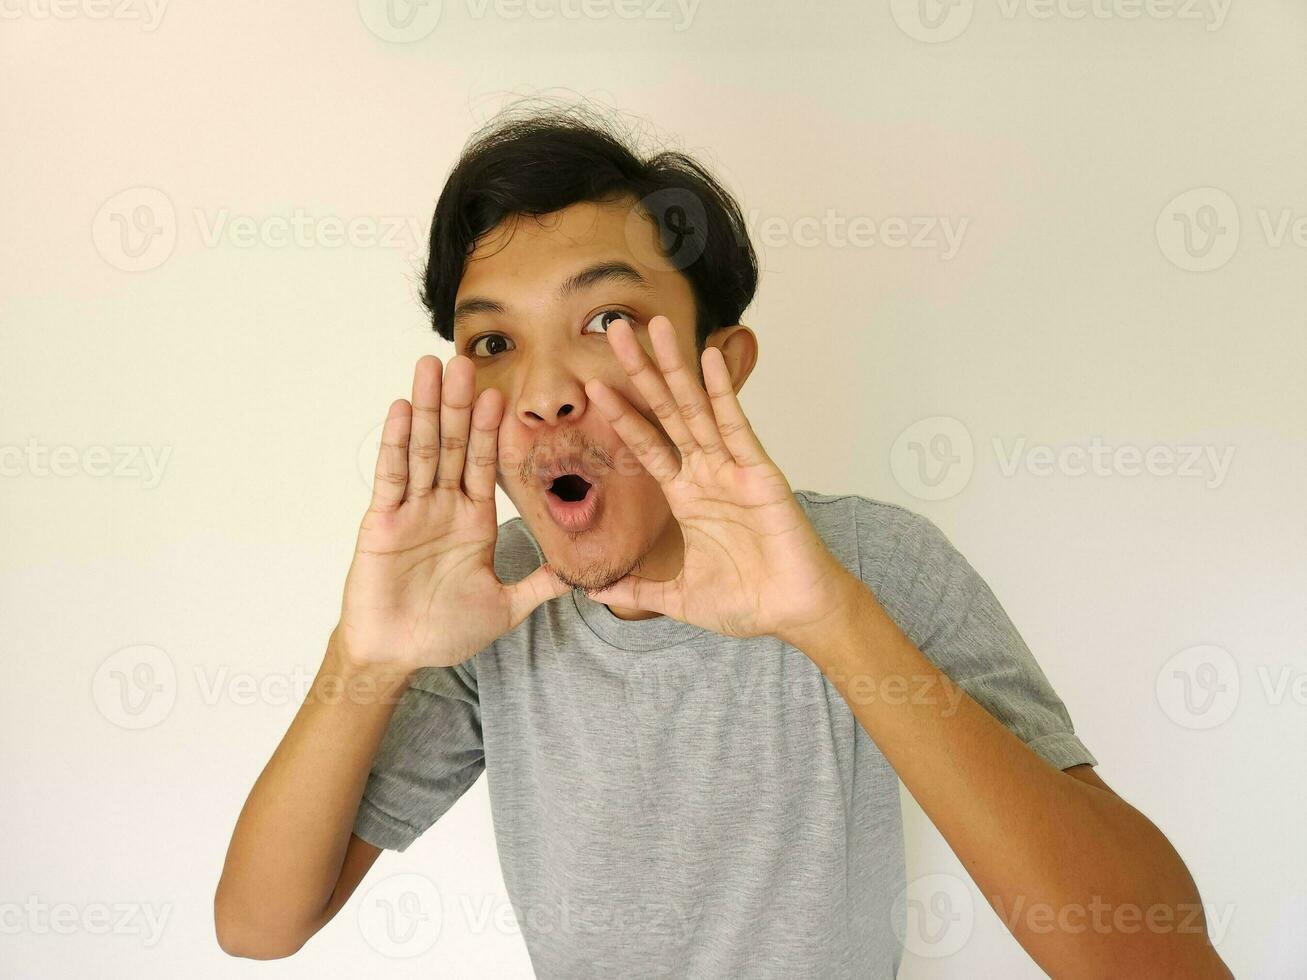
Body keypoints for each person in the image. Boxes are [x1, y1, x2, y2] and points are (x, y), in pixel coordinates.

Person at [214, 102, 1231, 978]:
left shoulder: (873, 563)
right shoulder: (490, 600)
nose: (542, 392)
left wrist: (830, 619)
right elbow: (258, 925)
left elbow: (1156, 959)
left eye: (606, 319)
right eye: (491, 341)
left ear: (720, 363)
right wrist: (365, 657)